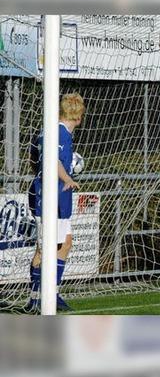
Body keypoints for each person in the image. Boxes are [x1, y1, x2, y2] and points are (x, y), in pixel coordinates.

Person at [25, 92, 85, 312]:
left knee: (65, 244)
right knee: (44, 248)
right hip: (50, 195)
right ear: (79, 117)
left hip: (57, 194)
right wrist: (67, 177)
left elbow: (34, 159)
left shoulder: (50, 132)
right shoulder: (59, 133)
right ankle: (35, 297)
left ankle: (53, 293)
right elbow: (55, 160)